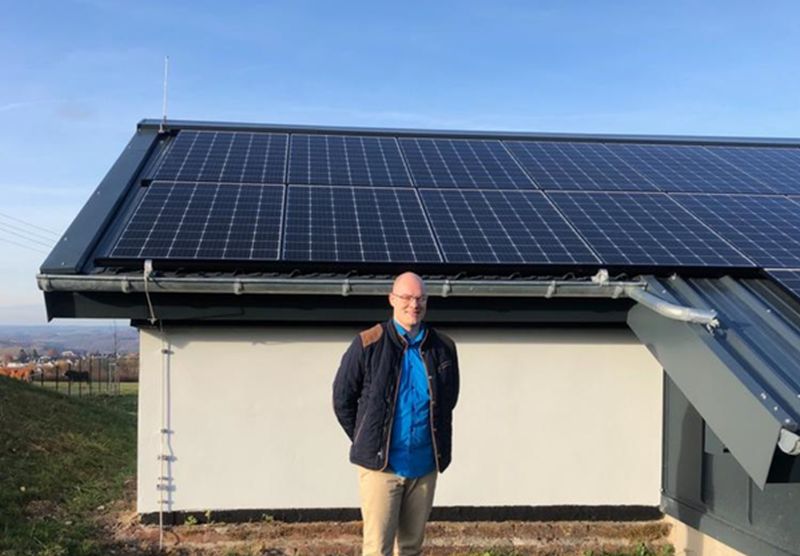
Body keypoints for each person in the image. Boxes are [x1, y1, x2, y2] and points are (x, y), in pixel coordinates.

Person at [333, 272, 460, 556]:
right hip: (382, 467)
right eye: (407, 297)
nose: (414, 304)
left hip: (424, 467)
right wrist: (369, 436)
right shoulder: (368, 343)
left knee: (412, 547)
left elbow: (448, 400)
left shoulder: (443, 347)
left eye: (420, 298)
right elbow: (343, 399)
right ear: (392, 299)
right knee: (378, 549)